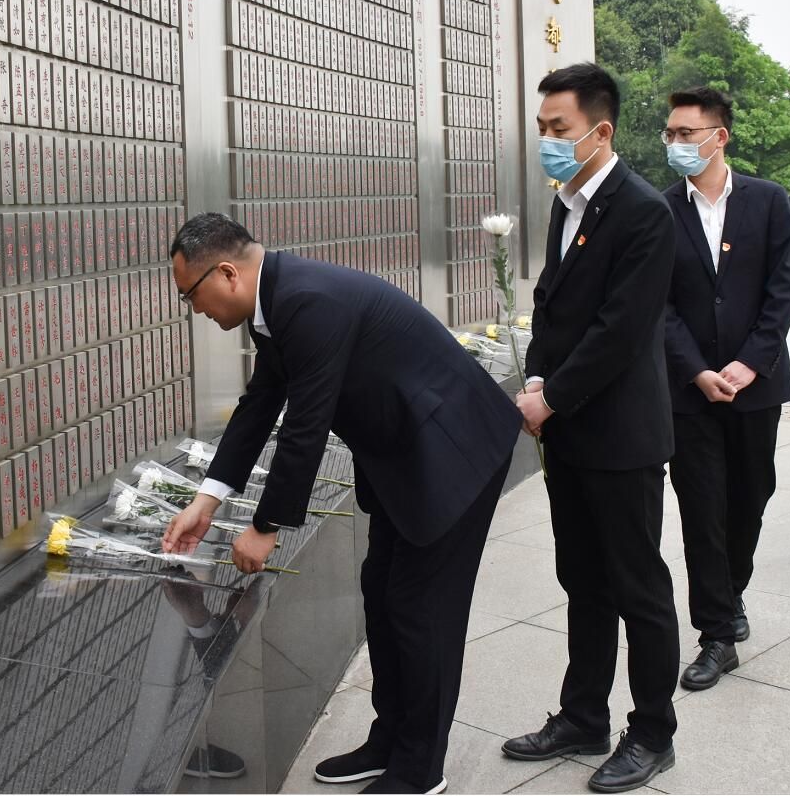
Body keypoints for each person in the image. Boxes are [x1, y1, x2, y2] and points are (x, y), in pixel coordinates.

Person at [161, 213, 521, 795]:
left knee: (422, 609)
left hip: (454, 450)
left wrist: (265, 526)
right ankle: (390, 738)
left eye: (190, 294)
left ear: (226, 273)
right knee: (382, 592)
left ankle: (420, 769)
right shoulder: (278, 301)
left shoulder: (306, 302)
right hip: (407, 456)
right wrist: (207, 500)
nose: (193, 309)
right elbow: (261, 403)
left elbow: (306, 423)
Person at [502, 64, 680, 793]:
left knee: (638, 587)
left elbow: (620, 331)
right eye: (541, 128)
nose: (546, 141)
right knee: (581, 580)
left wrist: (551, 398)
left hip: (621, 437)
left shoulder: (642, 212)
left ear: (600, 131)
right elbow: (553, 307)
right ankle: (582, 717)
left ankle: (653, 732)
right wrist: (536, 378)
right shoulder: (567, 202)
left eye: (559, 129)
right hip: (571, 431)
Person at [657, 87, 790, 691]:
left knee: (750, 495)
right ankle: (715, 632)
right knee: (701, 507)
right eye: (670, 133)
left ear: (720, 137)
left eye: (686, 133)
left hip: (755, 387)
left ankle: (731, 590)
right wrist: (696, 369)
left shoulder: (768, 201)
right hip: (689, 392)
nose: (675, 143)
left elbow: (783, 289)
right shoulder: (661, 210)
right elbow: (659, 304)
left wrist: (751, 363)